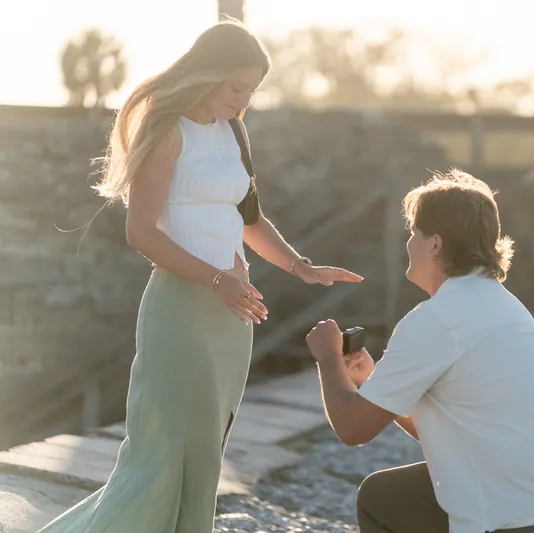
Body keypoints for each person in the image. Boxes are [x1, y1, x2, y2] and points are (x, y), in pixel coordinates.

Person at [38, 19, 361, 533]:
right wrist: (216, 280)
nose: (244, 100)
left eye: (252, 90)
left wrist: (301, 266)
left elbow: (249, 219)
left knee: (208, 446)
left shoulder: (233, 130)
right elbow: (140, 232)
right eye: (237, 87)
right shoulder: (165, 131)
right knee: (164, 449)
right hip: (181, 309)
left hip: (233, 312)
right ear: (206, 75)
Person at [305, 169, 534, 533]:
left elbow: (352, 429)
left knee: (381, 499)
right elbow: (453, 431)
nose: (409, 244)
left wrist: (327, 356)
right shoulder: (504, 305)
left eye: (413, 234)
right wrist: (372, 382)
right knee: (386, 494)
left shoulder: (437, 319)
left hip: (510, 515)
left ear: (435, 244)